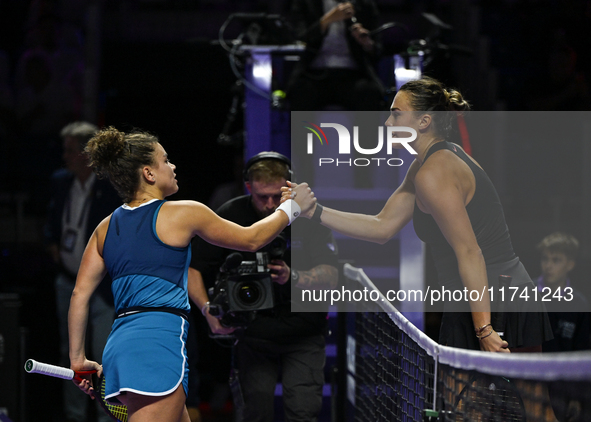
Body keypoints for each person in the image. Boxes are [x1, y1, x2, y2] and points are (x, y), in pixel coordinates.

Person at [68, 128, 303, 421]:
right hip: (157, 344)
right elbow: (252, 239)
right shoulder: (184, 213)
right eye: (165, 160)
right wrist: (292, 207)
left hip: (120, 347)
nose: (173, 166)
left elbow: (79, 295)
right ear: (148, 173)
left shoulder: (104, 227)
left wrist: (77, 359)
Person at [190, 151, 339, 422]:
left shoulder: (311, 216)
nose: (270, 204)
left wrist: (292, 277)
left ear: (289, 186)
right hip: (251, 333)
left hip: (304, 331)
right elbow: (194, 267)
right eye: (262, 197)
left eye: (277, 196)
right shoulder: (231, 213)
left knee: (303, 412)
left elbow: (333, 274)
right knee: (254, 414)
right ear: (248, 187)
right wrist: (207, 310)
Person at [44, 121, 120, 422]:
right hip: (67, 280)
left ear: (88, 154)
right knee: (70, 355)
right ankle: (74, 416)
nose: (65, 156)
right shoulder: (60, 181)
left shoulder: (110, 186)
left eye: (71, 150)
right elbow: (52, 221)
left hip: (101, 287)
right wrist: (53, 247)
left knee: (102, 355)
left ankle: (106, 417)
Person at [287, 0, 385, 111]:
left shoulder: (364, 3)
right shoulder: (305, 3)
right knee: (300, 92)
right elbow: (300, 38)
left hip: (353, 74)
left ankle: (365, 129)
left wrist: (366, 43)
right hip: (314, 73)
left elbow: (377, 51)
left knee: (369, 92)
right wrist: (327, 20)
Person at [536, 232, 590, 352]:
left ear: (570, 265)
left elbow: (582, 349)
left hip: (565, 369)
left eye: (556, 260)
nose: (548, 266)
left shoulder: (579, 303)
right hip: (528, 368)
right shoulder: (526, 294)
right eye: (545, 259)